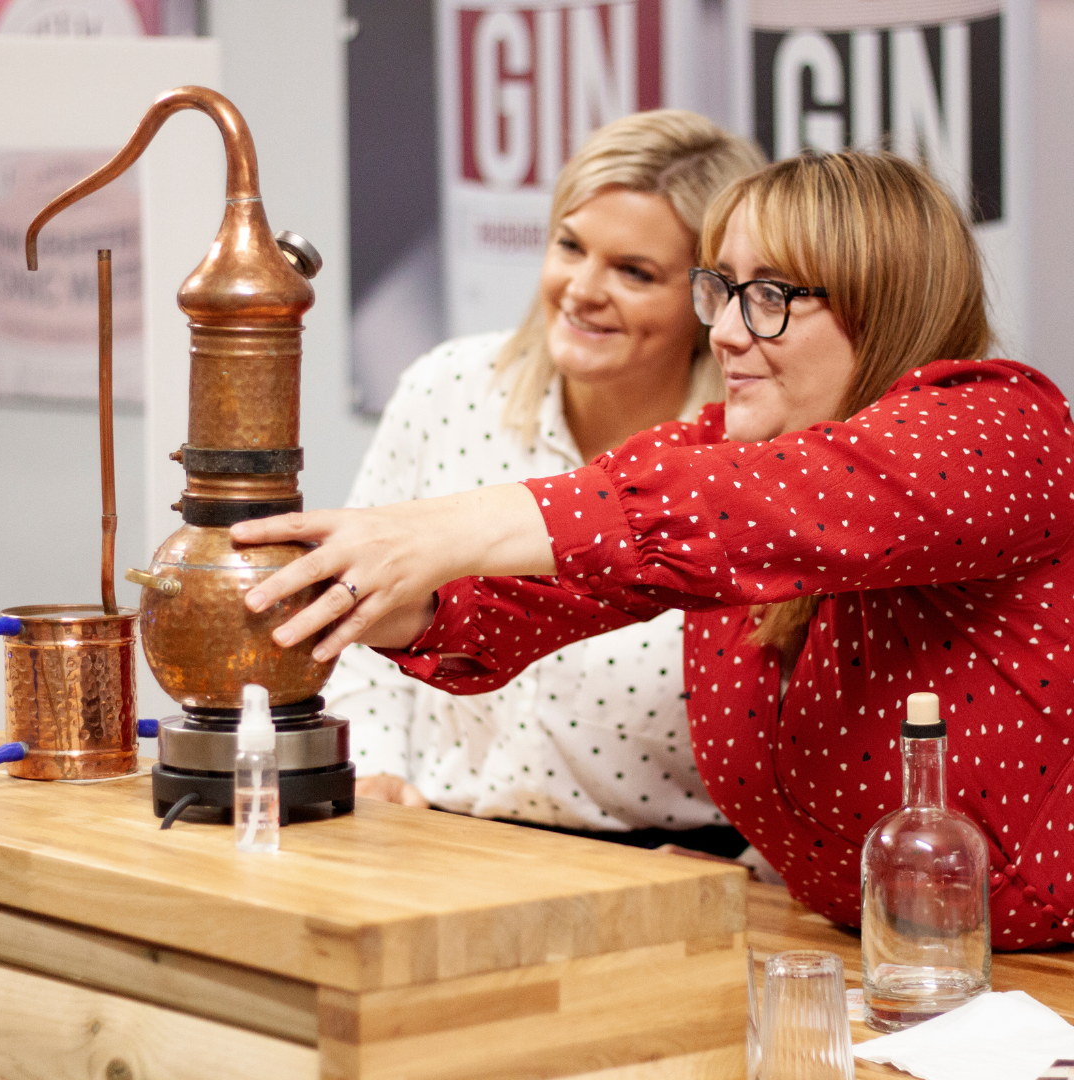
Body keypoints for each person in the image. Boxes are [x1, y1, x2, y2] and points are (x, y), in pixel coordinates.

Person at [233, 151, 1074, 950]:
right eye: (723, 290)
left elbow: (729, 509)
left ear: (887, 302)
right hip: (864, 958)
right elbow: (547, 593)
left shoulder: (1000, 426)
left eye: (772, 295)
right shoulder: (723, 458)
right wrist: (364, 592)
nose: (731, 334)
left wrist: (440, 529)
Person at [324, 110, 767, 856]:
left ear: (710, 299)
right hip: (437, 845)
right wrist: (372, 770)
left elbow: (808, 718)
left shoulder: (748, 462)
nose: (583, 289)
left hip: (671, 870)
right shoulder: (446, 388)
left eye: (635, 272)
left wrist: (752, 870)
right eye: (570, 246)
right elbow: (359, 619)